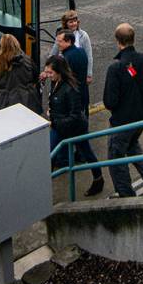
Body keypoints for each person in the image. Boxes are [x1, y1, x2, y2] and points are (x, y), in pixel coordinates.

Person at [102, 23, 143, 197]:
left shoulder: (115, 68)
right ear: (133, 38)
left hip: (122, 121)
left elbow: (110, 102)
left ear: (117, 41)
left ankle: (125, 194)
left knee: (116, 157)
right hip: (141, 116)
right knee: (132, 144)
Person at [53, 29, 104, 195]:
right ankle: (98, 177)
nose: (57, 44)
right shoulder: (81, 52)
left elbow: (65, 84)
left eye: (60, 41)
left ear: (68, 41)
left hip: (68, 112)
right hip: (79, 103)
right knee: (84, 148)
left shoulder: (65, 60)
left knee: (54, 147)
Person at [45, 55, 91, 181]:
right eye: (47, 72)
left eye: (50, 72)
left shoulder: (70, 88)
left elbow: (75, 114)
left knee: (87, 153)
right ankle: (46, 184)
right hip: (59, 125)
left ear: (59, 71)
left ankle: (98, 178)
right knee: (50, 154)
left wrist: (55, 120)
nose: (48, 75)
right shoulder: (55, 82)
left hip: (75, 128)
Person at [0, 34, 42, 115]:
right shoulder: (27, 60)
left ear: (1, 46)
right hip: (28, 102)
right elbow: (36, 77)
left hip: (5, 104)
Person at [49, 10, 93, 86]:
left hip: (78, 71)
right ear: (65, 24)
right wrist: (48, 70)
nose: (74, 24)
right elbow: (53, 53)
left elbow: (89, 56)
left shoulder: (83, 36)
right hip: (64, 71)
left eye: (75, 21)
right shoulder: (61, 35)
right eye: (71, 22)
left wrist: (89, 74)